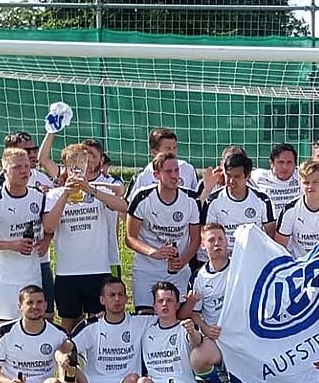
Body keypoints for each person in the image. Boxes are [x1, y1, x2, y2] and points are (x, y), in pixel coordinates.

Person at [0, 148, 50, 374]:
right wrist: (11, 245)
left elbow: (50, 225)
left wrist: (46, 240)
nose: (24, 171)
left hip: (32, 275)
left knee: (32, 326)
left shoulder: (38, 197)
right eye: (17, 167)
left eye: (26, 166)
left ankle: (32, 377)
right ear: (5, 171)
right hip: (4, 278)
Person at [43, 143, 128, 332]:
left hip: (98, 269)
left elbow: (123, 206)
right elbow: (48, 226)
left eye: (82, 163)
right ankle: (69, 353)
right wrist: (66, 194)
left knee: (98, 324)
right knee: (69, 324)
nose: (78, 169)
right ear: (65, 166)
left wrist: (90, 190)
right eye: (73, 165)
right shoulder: (54, 195)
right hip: (68, 272)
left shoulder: (98, 191)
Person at [52, 277, 151, 383]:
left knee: (133, 378)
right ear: (102, 300)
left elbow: (170, 317)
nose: (117, 299)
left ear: (127, 299)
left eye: (120, 295)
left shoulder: (141, 321)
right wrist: (61, 357)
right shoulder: (91, 325)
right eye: (112, 295)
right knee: (66, 366)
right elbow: (65, 347)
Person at [134, 282, 231, 383]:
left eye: (169, 300)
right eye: (160, 301)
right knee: (143, 382)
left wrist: (192, 331)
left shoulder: (184, 327)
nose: (165, 304)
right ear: (154, 306)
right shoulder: (146, 330)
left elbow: (196, 341)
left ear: (177, 305)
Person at [0, 131, 55, 317]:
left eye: (33, 150)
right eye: (27, 150)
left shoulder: (41, 179)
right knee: (6, 319)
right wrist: (12, 244)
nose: (32, 154)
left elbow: (52, 217)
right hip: (8, 267)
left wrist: (47, 239)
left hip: (39, 260)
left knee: (45, 314)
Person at [39, 134, 126, 278]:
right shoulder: (63, 183)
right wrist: (52, 131)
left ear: (101, 159)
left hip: (106, 257)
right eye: (83, 156)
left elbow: (120, 193)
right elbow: (43, 160)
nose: (87, 160)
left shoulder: (107, 182)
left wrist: (89, 187)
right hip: (71, 266)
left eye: (91, 155)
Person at [126, 152, 201, 312]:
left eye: (176, 170)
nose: (174, 176)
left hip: (178, 270)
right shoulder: (142, 198)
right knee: (146, 317)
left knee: (180, 317)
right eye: (168, 172)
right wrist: (153, 252)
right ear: (156, 175)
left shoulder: (191, 199)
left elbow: (196, 239)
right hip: (147, 269)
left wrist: (183, 260)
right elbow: (130, 238)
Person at [178, 223, 235, 383]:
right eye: (211, 240)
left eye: (220, 239)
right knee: (198, 359)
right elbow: (193, 314)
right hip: (217, 336)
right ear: (203, 245)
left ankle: (243, 379)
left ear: (226, 241)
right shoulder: (199, 278)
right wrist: (206, 328)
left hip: (244, 333)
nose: (217, 243)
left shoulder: (240, 267)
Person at [201, 152, 275, 254]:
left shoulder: (262, 199)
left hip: (254, 255)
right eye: (228, 176)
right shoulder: (213, 201)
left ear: (248, 176)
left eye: (237, 177)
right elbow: (208, 233)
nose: (231, 181)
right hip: (224, 257)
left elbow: (270, 234)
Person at [128, 127, 198, 199]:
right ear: (154, 152)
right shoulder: (144, 176)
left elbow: (198, 198)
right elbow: (130, 203)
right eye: (168, 148)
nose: (173, 152)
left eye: (174, 148)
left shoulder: (188, 169)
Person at [250, 142, 301, 209]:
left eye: (289, 162)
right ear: (271, 163)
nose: (285, 167)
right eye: (280, 162)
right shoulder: (258, 177)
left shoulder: (302, 176)